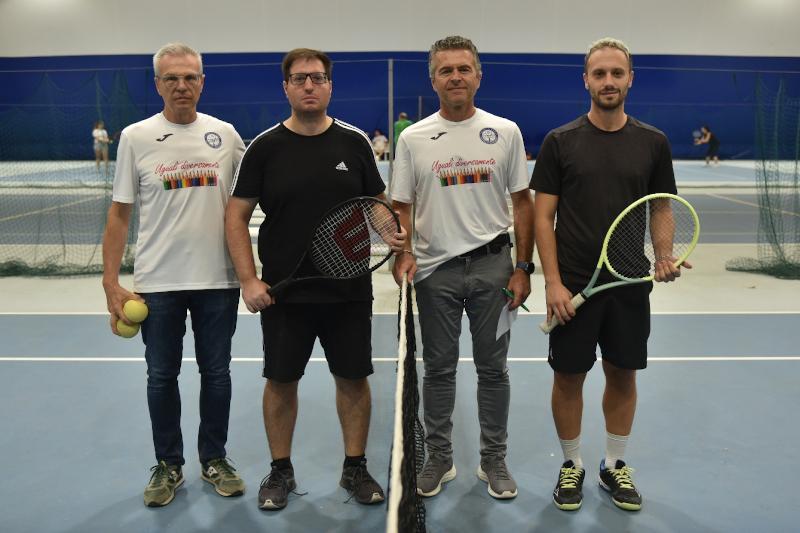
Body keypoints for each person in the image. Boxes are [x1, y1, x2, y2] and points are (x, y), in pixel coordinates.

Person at [225, 47, 405, 511]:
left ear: (330, 86)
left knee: (353, 379)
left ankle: (355, 467)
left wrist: (393, 233)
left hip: (348, 289)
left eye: (318, 78)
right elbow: (236, 215)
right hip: (284, 294)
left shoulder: (355, 142)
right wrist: (249, 280)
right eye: (300, 78)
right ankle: (280, 470)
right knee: (281, 381)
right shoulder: (264, 148)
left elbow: (376, 204)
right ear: (286, 86)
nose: (309, 85)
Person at [531, 37, 691, 513]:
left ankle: (614, 464)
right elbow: (543, 218)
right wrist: (553, 282)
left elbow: (661, 206)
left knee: (622, 373)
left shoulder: (652, 142)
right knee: (569, 377)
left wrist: (663, 255)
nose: (608, 81)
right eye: (599, 73)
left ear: (630, 79)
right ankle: (572, 464)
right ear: (586, 80)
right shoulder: (560, 142)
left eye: (616, 73)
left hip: (629, 282)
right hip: (574, 284)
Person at [101, 42, 246, 508]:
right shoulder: (135, 137)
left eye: (189, 77)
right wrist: (110, 283)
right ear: (158, 84)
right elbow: (119, 214)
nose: (181, 86)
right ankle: (168, 464)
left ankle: (214, 458)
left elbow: (249, 203)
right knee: (161, 376)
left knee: (217, 374)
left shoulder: (225, 135)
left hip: (218, 281)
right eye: (171, 78)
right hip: (158, 283)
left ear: (202, 82)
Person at [391, 35, 535, 501]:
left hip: (495, 270)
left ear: (478, 76)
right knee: (438, 370)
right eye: (446, 70)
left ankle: (494, 460)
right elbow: (401, 206)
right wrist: (403, 252)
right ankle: (439, 457)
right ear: (433, 80)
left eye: (463, 68)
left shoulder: (505, 132)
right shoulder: (412, 138)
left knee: (494, 370)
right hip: (436, 274)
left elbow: (522, 203)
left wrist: (523, 267)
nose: (455, 76)